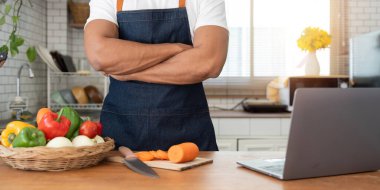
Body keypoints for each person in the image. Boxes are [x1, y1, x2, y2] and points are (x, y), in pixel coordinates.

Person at [84, 0, 229, 151]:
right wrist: (175, 48)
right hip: (120, 139)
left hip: (189, 143)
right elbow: (99, 54)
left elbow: (210, 62)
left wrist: (128, 71)